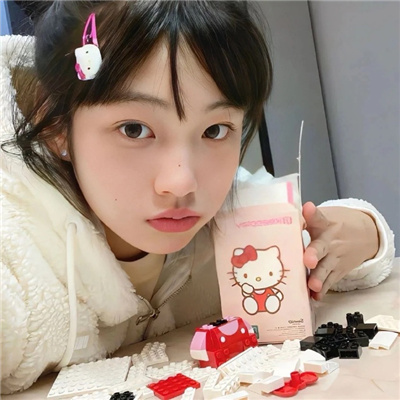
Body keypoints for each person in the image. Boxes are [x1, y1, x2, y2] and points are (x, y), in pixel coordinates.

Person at [0, 0, 394, 394]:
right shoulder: (15, 254)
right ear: (56, 126)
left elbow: (337, 247)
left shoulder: (235, 216)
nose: (182, 182)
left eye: (215, 130)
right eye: (134, 129)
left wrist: (365, 231)